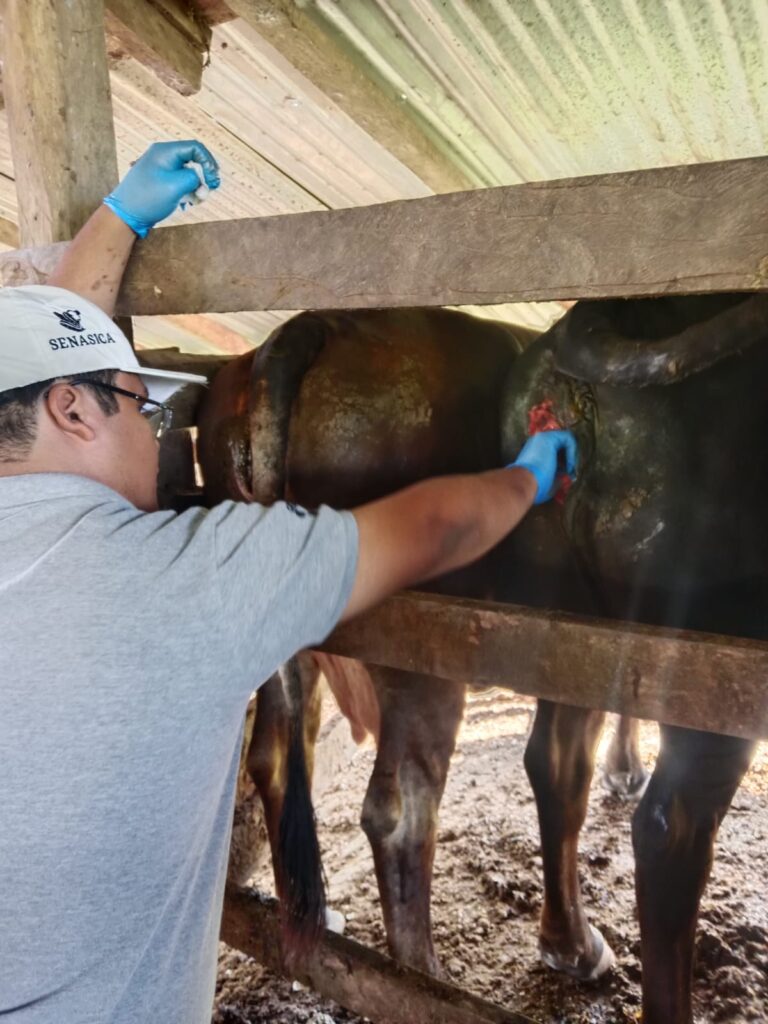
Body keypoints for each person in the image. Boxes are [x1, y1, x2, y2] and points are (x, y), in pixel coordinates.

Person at [0, 140, 578, 1024]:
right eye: (144, 404)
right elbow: (432, 528)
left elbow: (44, 362)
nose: (159, 433)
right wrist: (528, 479)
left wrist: (118, 217)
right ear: (73, 411)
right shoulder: (184, 580)